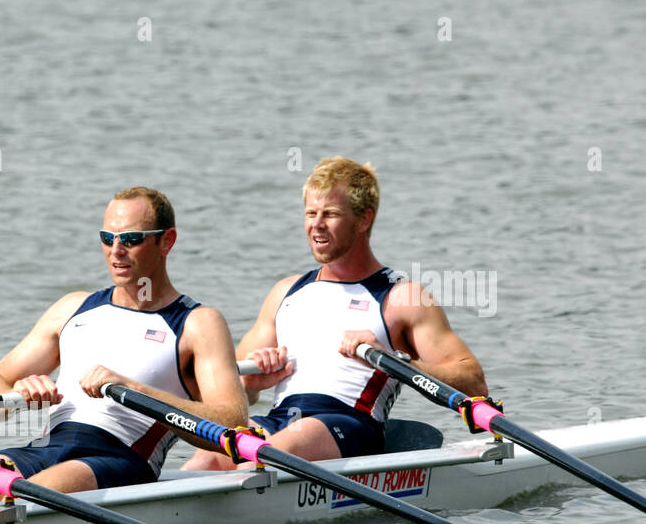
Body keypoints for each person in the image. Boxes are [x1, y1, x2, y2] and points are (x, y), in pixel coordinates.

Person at [184, 156, 488, 470]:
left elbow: (474, 383)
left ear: (364, 220)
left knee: (259, 461)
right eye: (310, 213)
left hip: (350, 425)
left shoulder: (402, 298)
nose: (316, 224)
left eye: (330, 214)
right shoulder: (285, 292)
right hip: (280, 420)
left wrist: (395, 362)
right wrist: (252, 383)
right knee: (206, 458)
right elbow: (231, 396)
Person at [0, 186, 248, 503]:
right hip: (49, 445)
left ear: (167, 241)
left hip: (121, 456)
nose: (116, 251)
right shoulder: (72, 308)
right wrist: (20, 395)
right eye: (107, 238)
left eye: (131, 239)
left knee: (34, 495)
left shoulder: (198, 323)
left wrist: (134, 390)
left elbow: (232, 425)